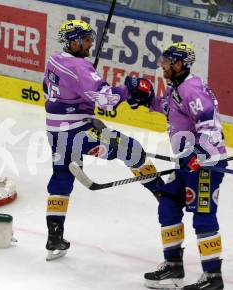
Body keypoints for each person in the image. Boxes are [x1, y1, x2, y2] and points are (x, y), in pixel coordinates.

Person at [43, 19, 164, 261]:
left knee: (62, 177)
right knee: (132, 150)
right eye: (86, 39)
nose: (91, 43)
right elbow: (106, 100)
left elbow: (60, 91)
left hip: (55, 131)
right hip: (79, 133)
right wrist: (129, 89)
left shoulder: (54, 59)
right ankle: (163, 193)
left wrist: (86, 102)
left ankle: (54, 236)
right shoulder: (81, 67)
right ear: (74, 42)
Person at [128, 42, 227, 289]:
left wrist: (200, 153)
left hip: (205, 165)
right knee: (169, 204)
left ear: (179, 64)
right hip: (188, 163)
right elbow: (167, 107)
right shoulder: (177, 88)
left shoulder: (192, 89)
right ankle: (173, 266)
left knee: (204, 217)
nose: (162, 65)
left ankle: (213, 278)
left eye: (166, 61)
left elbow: (211, 127)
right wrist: (146, 99)